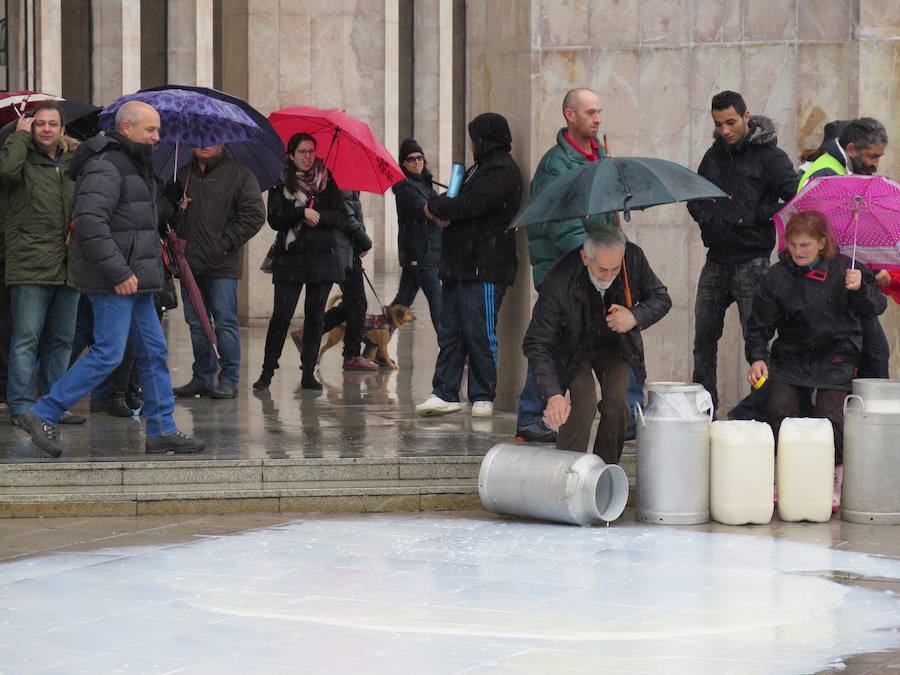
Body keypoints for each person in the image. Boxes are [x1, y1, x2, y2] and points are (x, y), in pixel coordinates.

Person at [16, 100, 204, 457]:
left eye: (158, 130)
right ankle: (43, 412)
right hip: (116, 280)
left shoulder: (136, 166)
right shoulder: (106, 165)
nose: (157, 136)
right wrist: (119, 271)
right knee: (108, 353)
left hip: (138, 280)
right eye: (150, 130)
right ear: (126, 129)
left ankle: (163, 428)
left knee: (153, 352)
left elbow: (137, 221)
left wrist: (172, 203)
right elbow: (90, 221)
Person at [745, 211, 886, 510]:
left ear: (822, 243)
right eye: (793, 244)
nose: (798, 251)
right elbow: (758, 327)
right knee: (780, 409)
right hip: (792, 356)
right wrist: (757, 358)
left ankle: (834, 478)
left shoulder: (847, 269)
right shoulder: (777, 275)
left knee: (831, 419)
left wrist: (861, 287)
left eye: (805, 245)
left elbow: (877, 306)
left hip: (836, 355)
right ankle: (782, 475)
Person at [687, 90, 798, 414]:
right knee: (703, 342)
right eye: (719, 124)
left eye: (731, 122)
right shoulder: (713, 156)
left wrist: (751, 216)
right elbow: (694, 194)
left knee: (758, 345)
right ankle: (702, 412)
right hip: (716, 259)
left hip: (753, 261)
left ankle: (760, 414)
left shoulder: (771, 158)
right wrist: (707, 216)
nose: (725, 130)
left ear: (746, 117)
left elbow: (794, 200)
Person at [516, 88, 618, 443]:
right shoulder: (555, 165)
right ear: (569, 115)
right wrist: (595, 258)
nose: (598, 118)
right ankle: (531, 415)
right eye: (590, 112)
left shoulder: (600, 156)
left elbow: (602, 217)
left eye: (599, 111)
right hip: (564, 270)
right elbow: (561, 224)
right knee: (552, 339)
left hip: (594, 270)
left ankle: (624, 410)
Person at [524, 228, 671, 463]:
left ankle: (604, 471)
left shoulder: (632, 258)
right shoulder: (560, 278)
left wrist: (634, 316)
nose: (609, 276)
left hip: (614, 345)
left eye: (615, 268)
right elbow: (537, 342)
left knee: (617, 405)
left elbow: (661, 298)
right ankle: (567, 470)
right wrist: (553, 395)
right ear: (585, 257)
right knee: (583, 403)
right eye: (602, 269)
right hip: (572, 347)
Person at [414, 113, 522, 418]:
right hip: (458, 266)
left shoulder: (503, 171)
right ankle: (445, 391)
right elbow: (457, 201)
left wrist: (436, 206)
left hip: (485, 266)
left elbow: (467, 205)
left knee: (479, 332)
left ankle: (483, 394)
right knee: (451, 332)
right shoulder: (479, 169)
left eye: (475, 137)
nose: (472, 143)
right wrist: (443, 205)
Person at [253, 133, 369, 391]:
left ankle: (308, 372)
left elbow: (340, 216)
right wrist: (300, 213)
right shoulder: (280, 182)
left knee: (315, 318)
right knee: (281, 317)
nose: (308, 157)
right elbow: (274, 218)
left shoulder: (328, 180)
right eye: (302, 152)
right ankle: (267, 371)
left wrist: (318, 216)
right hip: (291, 259)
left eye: (311, 151)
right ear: (291, 155)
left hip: (322, 260)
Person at [0, 102, 85, 427]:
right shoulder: (19, 160)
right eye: (40, 124)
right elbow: (5, 172)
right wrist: (18, 138)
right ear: (31, 129)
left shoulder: (72, 165)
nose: (47, 129)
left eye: (53, 124)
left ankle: (53, 404)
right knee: (26, 338)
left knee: (61, 341)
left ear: (62, 130)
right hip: (29, 265)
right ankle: (21, 407)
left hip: (69, 266)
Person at [797, 117, 890, 379]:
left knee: (872, 353)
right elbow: (828, 234)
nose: (875, 164)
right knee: (872, 353)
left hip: (844, 278)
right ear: (851, 150)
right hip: (828, 281)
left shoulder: (840, 170)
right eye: (872, 156)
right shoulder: (828, 174)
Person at [171, 144, 265, 399]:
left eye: (211, 138)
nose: (204, 143)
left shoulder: (240, 174)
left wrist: (225, 244)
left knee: (224, 322)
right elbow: (168, 218)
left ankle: (229, 378)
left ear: (223, 142)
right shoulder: (181, 175)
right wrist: (176, 208)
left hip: (223, 263)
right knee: (196, 323)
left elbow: (255, 214)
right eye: (199, 138)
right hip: (189, 262)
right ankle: (202, 376)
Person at [312, 189, 378, 371]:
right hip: (342, 248)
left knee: (353, 302)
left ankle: (309, 333)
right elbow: (347, 217)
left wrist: (360, 240)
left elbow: (353, 214)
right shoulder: (342, 184)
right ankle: (352, 355)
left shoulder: (347, 184)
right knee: (357, 302)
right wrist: (365, 241)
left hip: (346, 247)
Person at [389, 138, 442, 339]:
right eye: (411, 159)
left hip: (426, 253)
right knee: (438, 304)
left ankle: (373, 337)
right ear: (403, 163)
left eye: (420, 158)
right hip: (420, 253)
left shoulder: (424, 183)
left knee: (401, 303)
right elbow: (427, 210)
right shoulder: (405, 187)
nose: (417, 162)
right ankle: (450, 349)